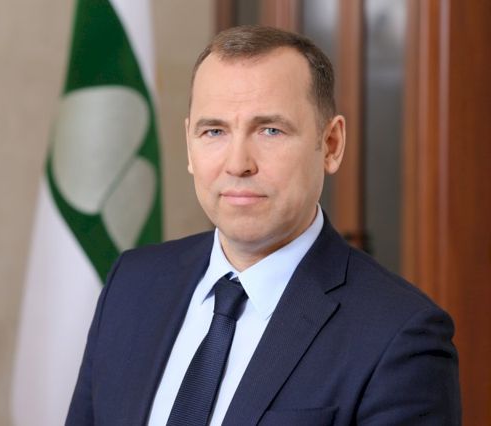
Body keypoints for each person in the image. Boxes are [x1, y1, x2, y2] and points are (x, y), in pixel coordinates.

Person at [65, 25, 461, 426]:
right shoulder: (131, 284)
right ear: (189, 145)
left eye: (270, 130)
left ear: (331, 144)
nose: (238, 164)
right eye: (214, 131)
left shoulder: (399, 336)